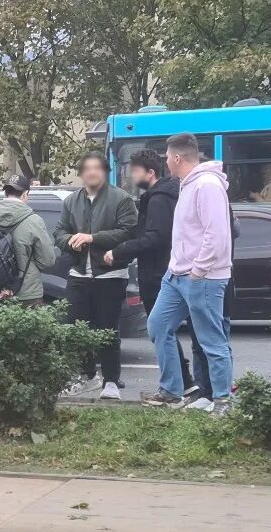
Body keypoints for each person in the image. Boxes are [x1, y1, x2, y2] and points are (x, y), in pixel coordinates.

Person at [144, 133, 234, 415]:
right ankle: (172, 390)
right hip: (177, 275)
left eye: (168, 157)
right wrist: (177, 268)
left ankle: (222, 401)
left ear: (178, 158)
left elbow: (216, 233)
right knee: (158, 326)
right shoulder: (187, 184)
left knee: (211, 340)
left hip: (202, 276)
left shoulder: (206, 185)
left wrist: (198, 269)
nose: (166, 162)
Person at [104, 148, 196, 400]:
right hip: (167, 270)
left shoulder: (158, 198)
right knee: (166, 330)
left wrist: (120, 250)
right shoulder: (166, 194)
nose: (133, 178)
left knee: (160, 330)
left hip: (158, 273)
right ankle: (186, 384)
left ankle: (178, 386)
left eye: (136, 172)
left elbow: (155, 237)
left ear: (151, 172)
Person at [52, 152, 137, 400]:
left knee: (108, 330)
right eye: (86, 168)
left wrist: (93, 238)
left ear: (105, 171)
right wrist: (69, 241)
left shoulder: (121, 198)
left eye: (96, 168)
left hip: (111, 275)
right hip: (78, 273)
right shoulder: (72, 201)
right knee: (79, 329)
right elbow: (59, 231)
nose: (91, 172)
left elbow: (128, 232)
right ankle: (87, 376)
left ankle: (111, 381)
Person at [0, 174, 55, 307]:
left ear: (5, 193)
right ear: (25, 194)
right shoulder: (34, 221)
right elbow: (47, 260)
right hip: (28, 295)